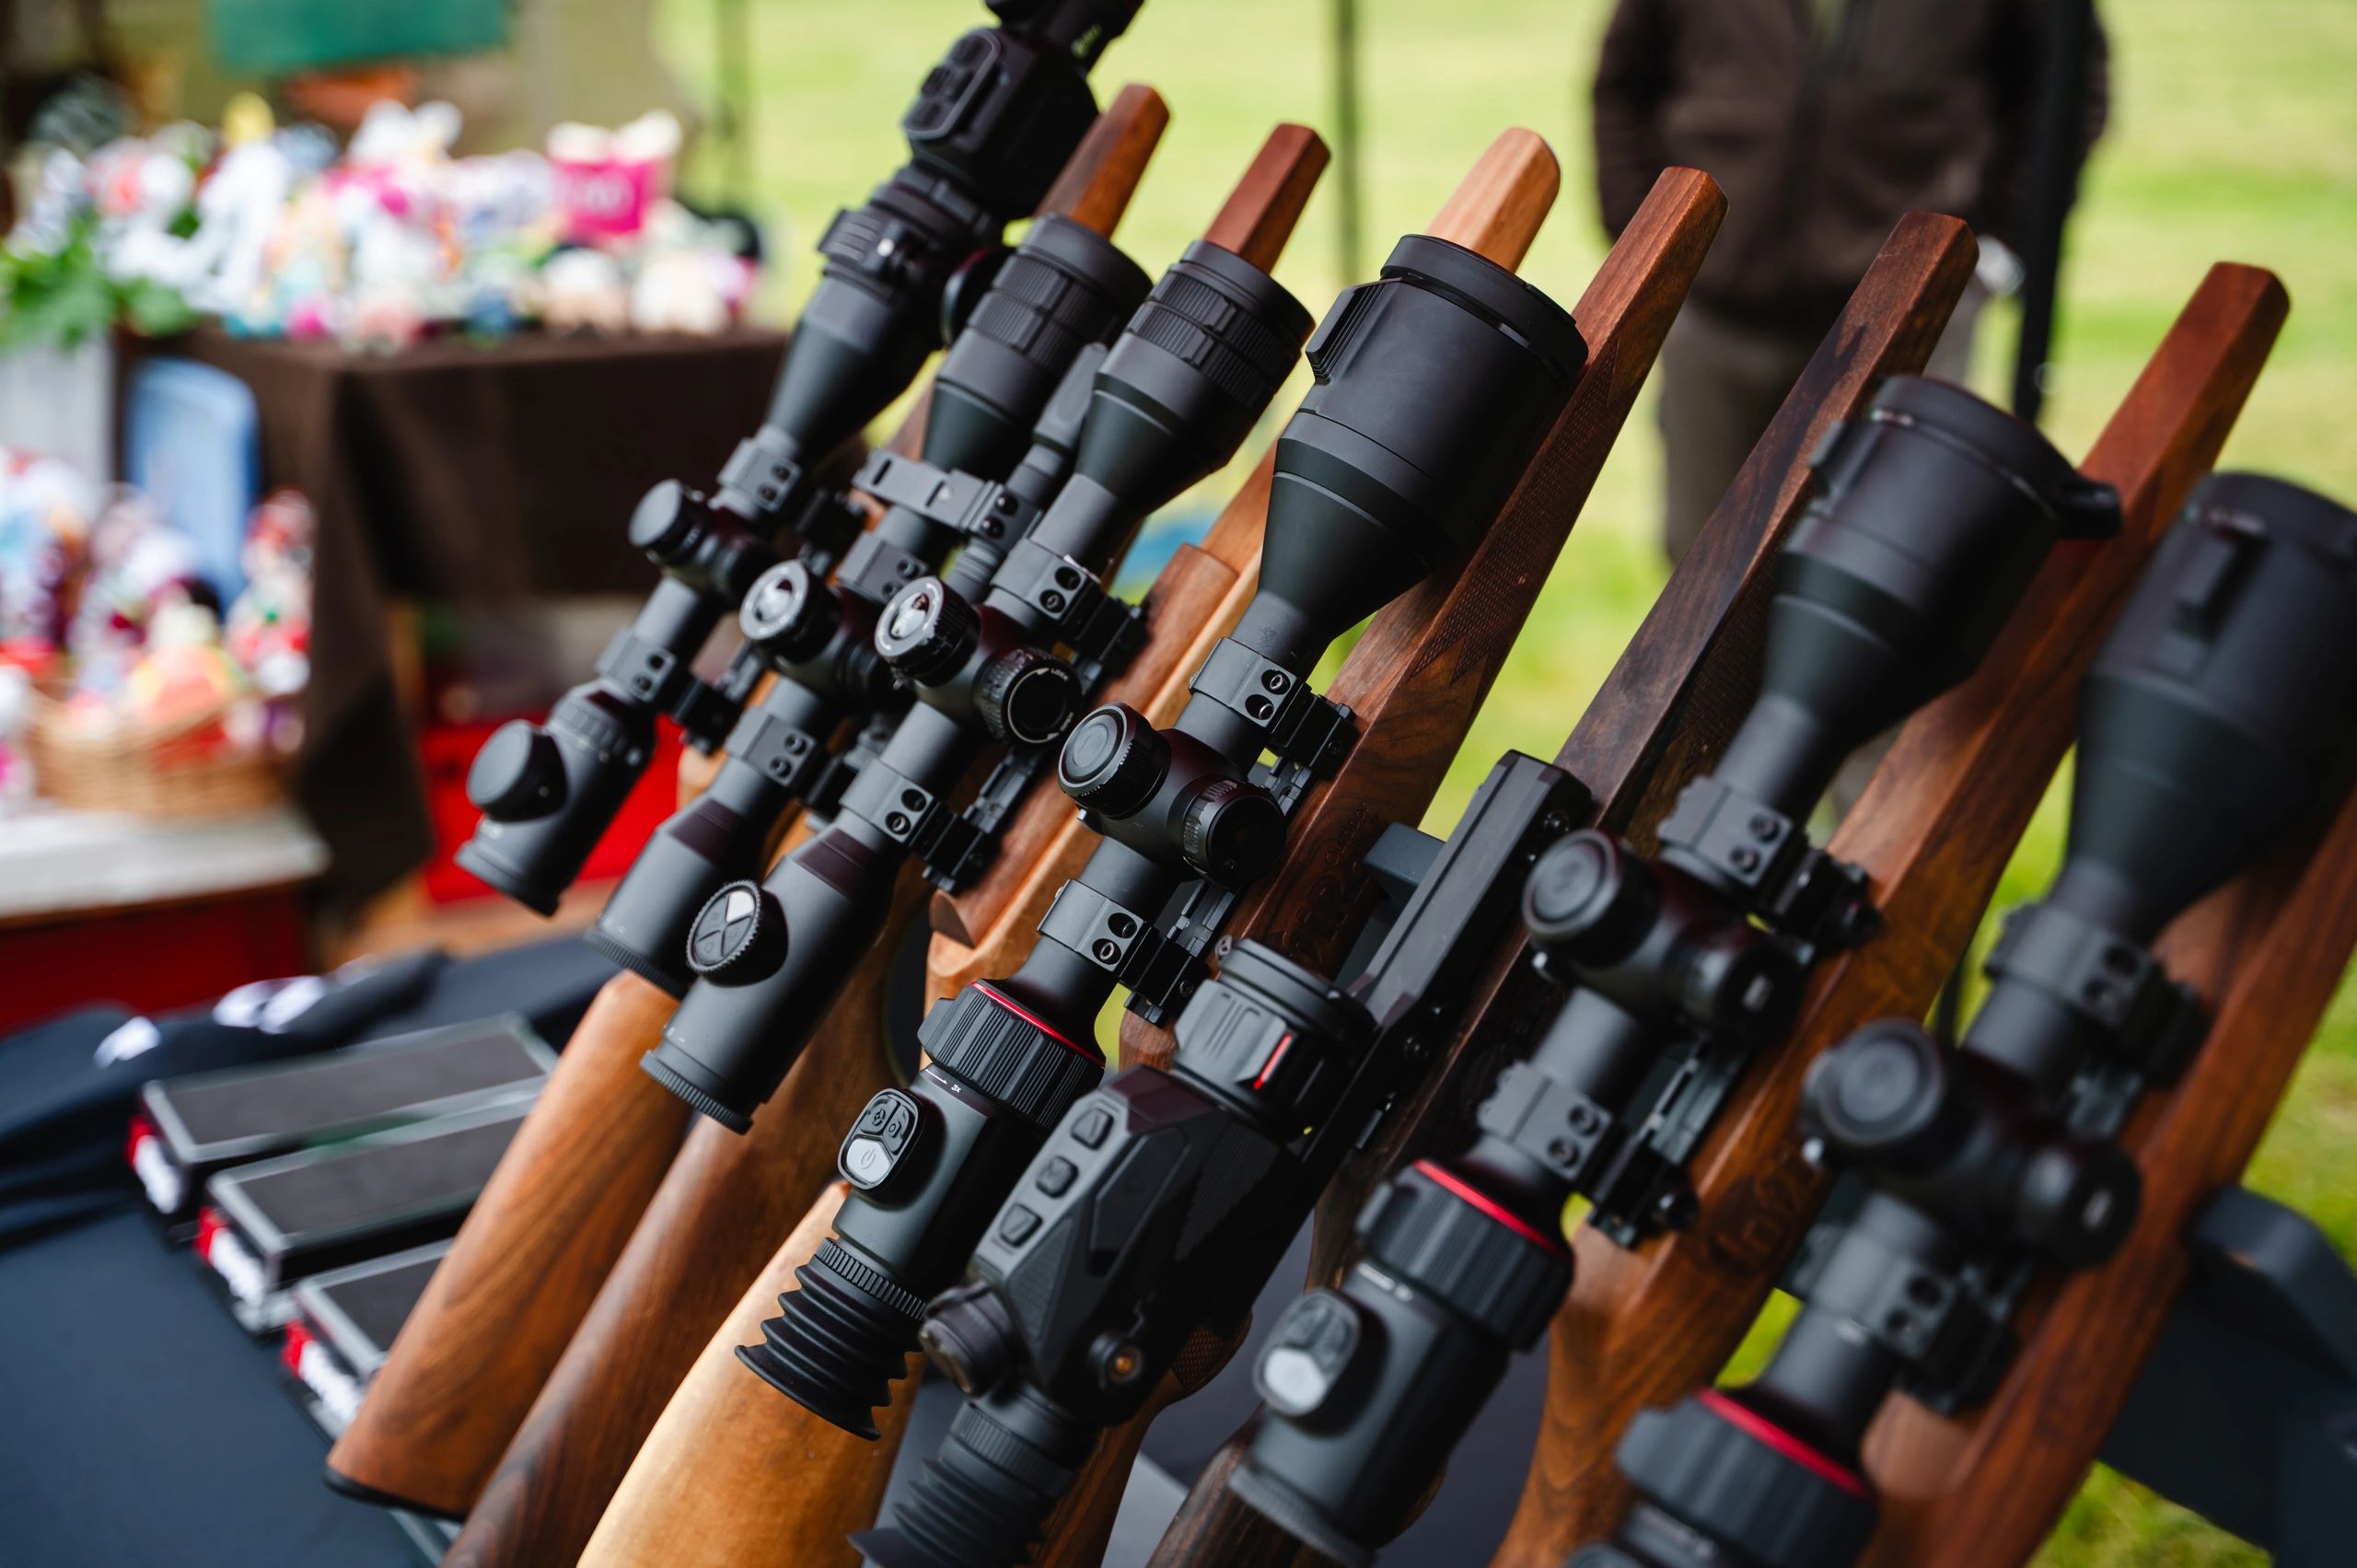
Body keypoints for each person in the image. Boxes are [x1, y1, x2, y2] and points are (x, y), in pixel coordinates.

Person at [1593, 0, 2110, 564]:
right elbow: (1624, 81)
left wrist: (1998, 243)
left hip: (1911, 326)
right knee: (1698, 575)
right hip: (1720, 313)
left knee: (1882, 574)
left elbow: (2065, 86)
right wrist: (1650, 234)